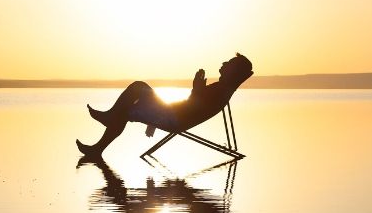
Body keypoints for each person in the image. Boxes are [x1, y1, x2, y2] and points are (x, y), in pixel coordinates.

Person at [76, 53, 254, 158]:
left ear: (234, 71)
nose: (224, 63)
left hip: (173, 118)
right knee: (129, 104)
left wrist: (196, 89)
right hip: (172, 114)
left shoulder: (221, 90)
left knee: (137, 88)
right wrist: (197, 90)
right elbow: (194, 107)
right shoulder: (223, 89)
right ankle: (98, 146)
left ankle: (104, 131)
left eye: (229, 63)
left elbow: (192, 108)